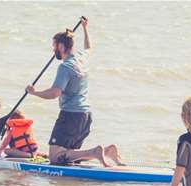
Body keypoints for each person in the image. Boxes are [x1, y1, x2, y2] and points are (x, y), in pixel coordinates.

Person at [25, 17, 123, 167]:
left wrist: (34, 92)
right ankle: (108, 151)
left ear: (62, 46)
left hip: (71, 116)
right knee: (68, 156)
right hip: (85, 116)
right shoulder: (81, 58)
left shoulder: (65, 67)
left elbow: (55, 93)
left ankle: (95, 152)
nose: (53, 50)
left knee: (55, 157)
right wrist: (85, 28)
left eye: (55, 46)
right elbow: (89, 48)